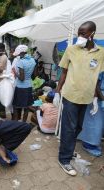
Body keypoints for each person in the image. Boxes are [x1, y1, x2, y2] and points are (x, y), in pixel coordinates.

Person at [55, 21, 104, 176]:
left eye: (83, 34)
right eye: (79, 33)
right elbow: (63, 72)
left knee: (78, 128)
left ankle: (68, 149)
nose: (80, 37)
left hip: (86, 97)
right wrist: (57, 91)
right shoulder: (71, 50)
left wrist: (96, 97)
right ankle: (64, 159)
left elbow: (97, 77)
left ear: (92, 34)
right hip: (70, 95)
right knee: (69, 128)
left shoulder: (101, 52)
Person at [78, 72, 104, 157]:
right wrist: (99, 99)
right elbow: (95, 83)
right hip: (97, 97)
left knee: (98, 123)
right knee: (95, 123)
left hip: (100, 97)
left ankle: (92, 142)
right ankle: (88, 144)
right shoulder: (101, 65)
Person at [12, 45, 36, 122]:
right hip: (29, 86)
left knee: (15, 106)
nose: (18, 55)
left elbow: (22, 78)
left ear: (22, 52)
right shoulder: (33, 60)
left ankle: (16, 124)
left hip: (20, 87)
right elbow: (34, 75)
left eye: (19, 54)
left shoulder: (21, 62)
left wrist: (15, 73)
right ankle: (24, 123)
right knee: (26, 107)